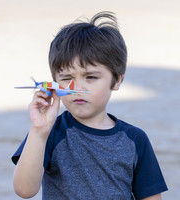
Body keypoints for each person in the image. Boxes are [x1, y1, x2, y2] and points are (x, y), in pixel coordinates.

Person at [11, 11, 168, 200]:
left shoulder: (135, 139)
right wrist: (38, 130)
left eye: (91, 77)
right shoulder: (50, 131)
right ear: (55, 83)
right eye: (67, 78)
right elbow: (24, 190)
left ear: (117, 81)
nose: (78, 88)